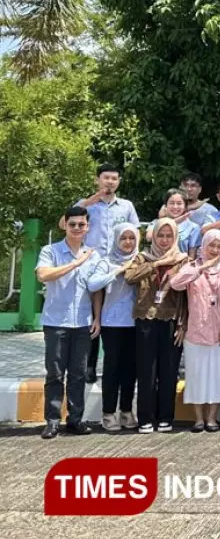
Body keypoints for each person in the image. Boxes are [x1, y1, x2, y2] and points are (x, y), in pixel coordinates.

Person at [65, 164, 139, 385]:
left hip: (119, 263)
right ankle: (89, 363)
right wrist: (91, 200)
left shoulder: (126, 206)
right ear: (98, 180)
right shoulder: (88, 206)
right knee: (92, 313)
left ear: (119, 181)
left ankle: (117, 361)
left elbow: (134, 231)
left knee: (112, 313)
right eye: (106, 178)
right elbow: (65, 221)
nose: (110, 182)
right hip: (93, 263)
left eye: (114, 178)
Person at [37, 206, 101, 439]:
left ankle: (75, 420)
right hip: (56, 321)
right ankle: (52, 420)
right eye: (72, 224)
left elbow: (96, 290)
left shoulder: (93, 255)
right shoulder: (50, 251)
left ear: (87, 227)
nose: (76, 228)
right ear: (65, 224)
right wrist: (75, 263)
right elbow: (43, 275)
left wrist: (97, 317)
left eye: (81, 224)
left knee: (78, 373)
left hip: (83, 322)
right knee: (54, 373)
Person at [125, 218, 189, 434]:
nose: (164, 240)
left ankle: (165, 417)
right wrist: (156, 265)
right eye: (161, 235)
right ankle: (145, 417)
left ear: (175, 237)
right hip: (146, 319)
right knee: (146, 371)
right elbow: (130, 277)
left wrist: (183, 324)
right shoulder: (143, 257)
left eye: (169, 236)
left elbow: (187, 296)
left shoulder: (182, 260)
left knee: (169, 371)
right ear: (153, 236)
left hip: (171, 320)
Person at [169, 230, 220, 433]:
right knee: (196, 374)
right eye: (211, 246)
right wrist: (202, 268)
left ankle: (212, 418)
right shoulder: (192, 268)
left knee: (216, 374)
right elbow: (175, 283)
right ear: (203, 246)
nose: (215, 250)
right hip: (195, 331)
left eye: (219, 246)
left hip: (219, 332)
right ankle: (198, 419)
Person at [86, 223, 139, 432]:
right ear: (116, 239)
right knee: (112, 368)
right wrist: (117, 271)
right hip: (111, 323)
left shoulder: (141, 259)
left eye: (132, 238)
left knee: (130, 369)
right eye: (124, 238)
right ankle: (108, 413)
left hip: (136, 322)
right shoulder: (106, 261)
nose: (128, 242)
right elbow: (93, 285)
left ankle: (126, 411)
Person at [148, 189, 200, 255]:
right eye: (172, 203)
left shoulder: (193, 227)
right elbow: (149, 238)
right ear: (165, 206)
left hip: (182, 263)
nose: (175, 207)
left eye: (179, 203)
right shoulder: (156, 223)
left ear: (185, 207)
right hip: (156, 263)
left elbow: (192, 256)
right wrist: (173, 222)